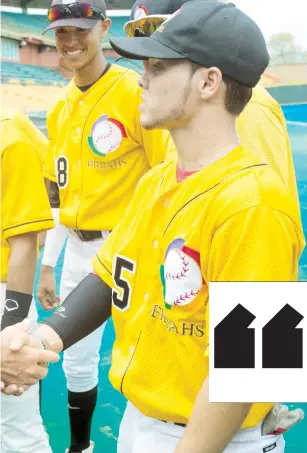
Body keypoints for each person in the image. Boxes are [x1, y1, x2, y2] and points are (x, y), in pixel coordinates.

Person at [4, 2, 306, 452]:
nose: (141, 78)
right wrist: (40, 339)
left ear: (209, 81)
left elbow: (254, 370)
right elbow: (110, 273)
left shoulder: (259, 201)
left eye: (159, 66)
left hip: (216, 437)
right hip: (144, 419)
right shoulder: (161, 179)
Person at [38, 0, 175, 451]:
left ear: (104, 27)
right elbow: (59, 197)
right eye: (62, 32)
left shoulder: (134, 91)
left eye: (81, 29)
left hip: (137, 245)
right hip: (82, 251)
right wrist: (48, 263)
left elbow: (168, 176)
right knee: (73, 357)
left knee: (157, 352)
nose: (72, 41)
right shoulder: (60, 110)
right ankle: (82, 445)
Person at [123, 0, 301, 216]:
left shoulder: (250, 109)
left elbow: (261, 212)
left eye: (156, 28)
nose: (149, 42)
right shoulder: (176, 109)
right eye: (139, 33)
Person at [0, 108, 56, 453]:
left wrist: (12, 328)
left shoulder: (11, 141)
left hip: (5, 296)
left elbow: (24, 246)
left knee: (17, 430)